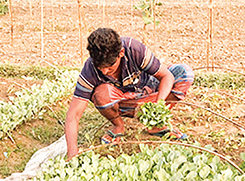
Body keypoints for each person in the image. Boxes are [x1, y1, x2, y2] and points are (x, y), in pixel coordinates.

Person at [64, 28, 194, 159]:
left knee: (185, 74)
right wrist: (72, 154)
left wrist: (158, 107)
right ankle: (118, 126)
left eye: (110, 66)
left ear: (121, 53)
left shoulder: (134, 50)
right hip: (123, 101)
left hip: (148, 89)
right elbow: (73, 115)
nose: (104, 71)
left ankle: (156, 125)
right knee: (101, 94)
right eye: (100, 66)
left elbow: (167, 76)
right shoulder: (90, 68)